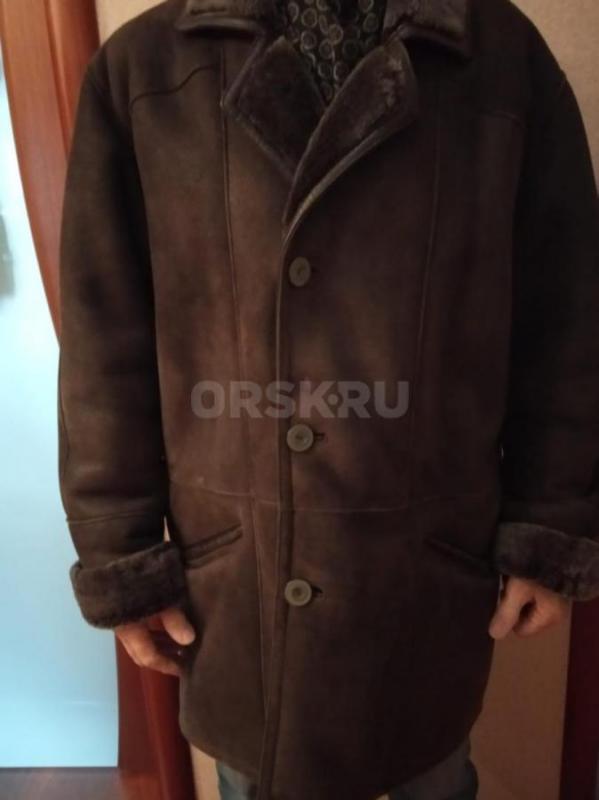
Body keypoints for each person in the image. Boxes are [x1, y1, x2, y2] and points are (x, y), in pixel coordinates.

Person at [57, 0, 599, 798]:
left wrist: (549, 524)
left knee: (433, 774)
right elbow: (105, 341)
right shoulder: (146, 69)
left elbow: (564, 320)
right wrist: (120, 556)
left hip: (424, 563)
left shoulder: (498, 57)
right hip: (237, 569)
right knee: (257, 775)